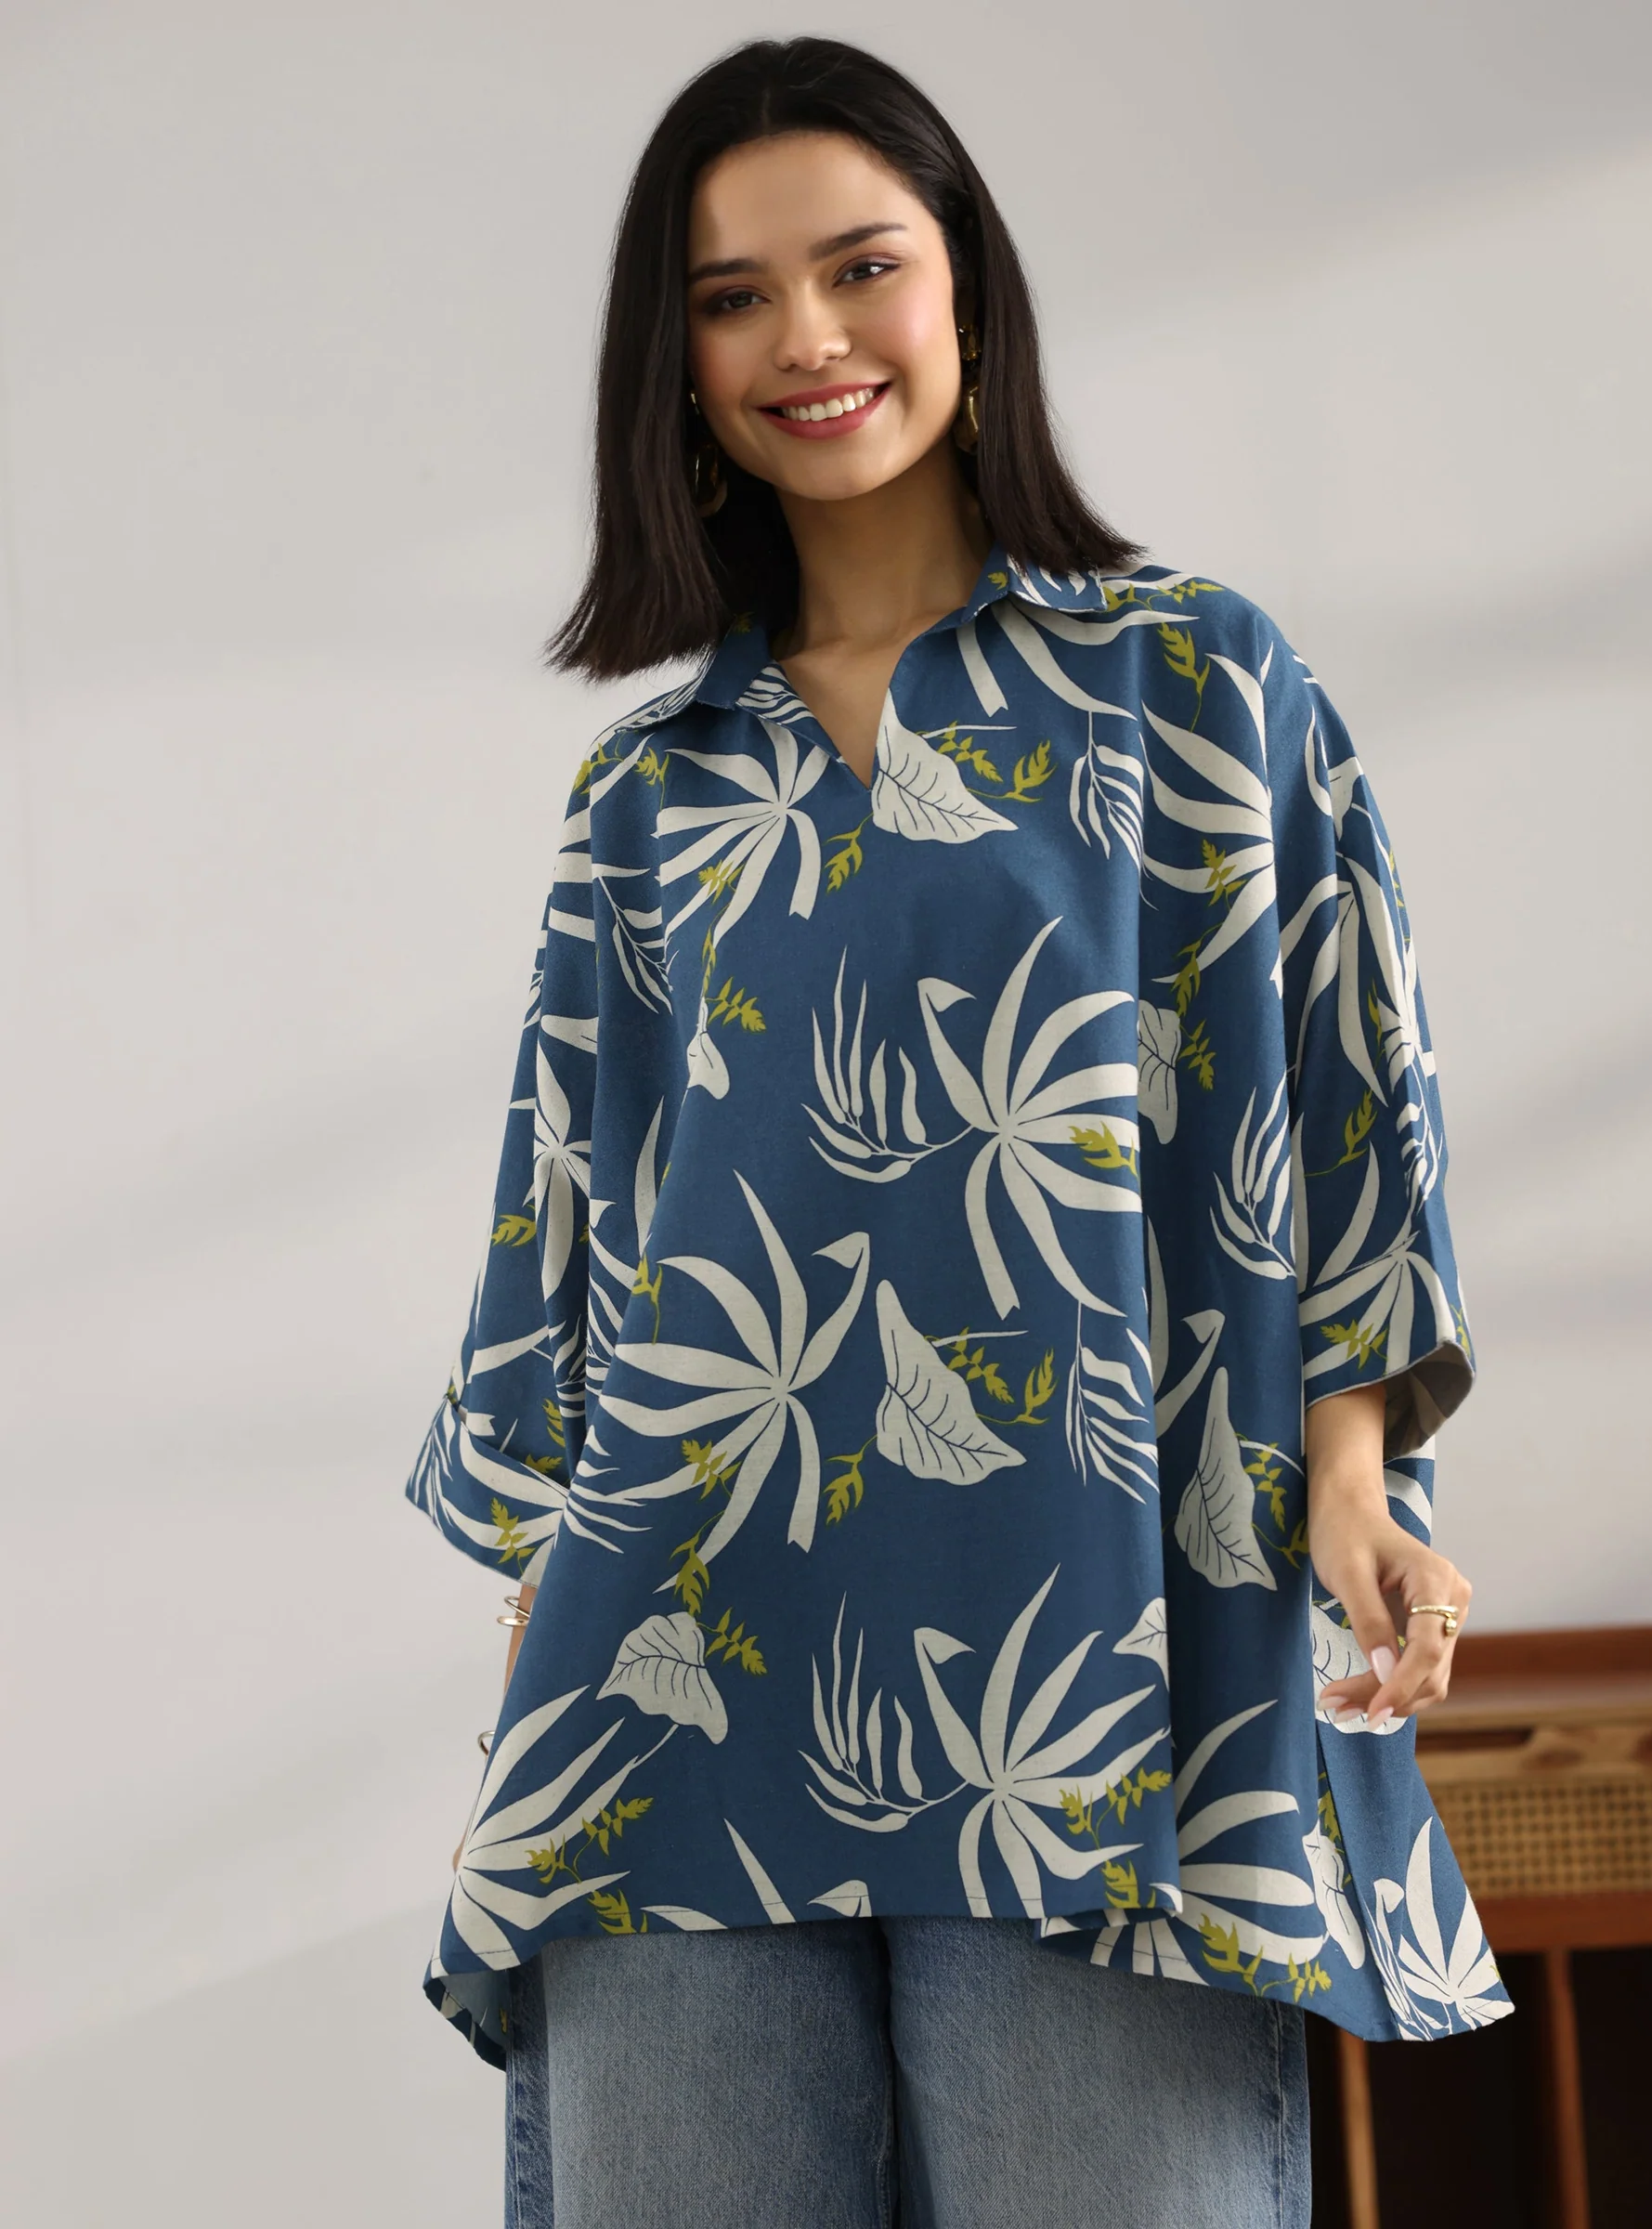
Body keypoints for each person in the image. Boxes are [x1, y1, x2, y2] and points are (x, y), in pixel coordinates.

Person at [406, 35, 1510, 2228]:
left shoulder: (1195, 685)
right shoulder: (651, 793)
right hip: (676, 1706)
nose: (806, 340)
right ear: (676, 364)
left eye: (861, 268)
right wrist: (546, 1638)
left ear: (968, 293)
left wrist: (1355, 1484)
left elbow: (1335, 1107)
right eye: (733, 298)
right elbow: (575, 1235)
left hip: (1099, 1684)